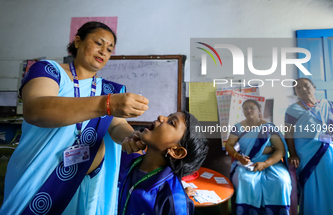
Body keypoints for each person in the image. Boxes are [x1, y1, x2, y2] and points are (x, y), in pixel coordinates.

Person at [0, 21, 149, 215]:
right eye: (98, 43)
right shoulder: (48, 71)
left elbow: (116, 126)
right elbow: (36, 110)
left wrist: (130, 137)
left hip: (84, 180)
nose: (104, 51)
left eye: (110, 49)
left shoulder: (109, 90)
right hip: (36, 173)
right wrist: (106, 104)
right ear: (78, 41)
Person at [118, 111, 209, 215]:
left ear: (176, 151)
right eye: (167, 116)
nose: (160, 117)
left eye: (171, 122)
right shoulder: (133, 163)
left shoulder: (174, 199)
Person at [226, 99, 291, 215]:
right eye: (245, 108)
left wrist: (265, 164)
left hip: (271, 163)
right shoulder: (238, 127)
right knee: (245, 180)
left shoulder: (268, 127)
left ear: (259, 110)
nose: (248, 110)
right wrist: (239, 157)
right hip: (248, 163)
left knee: (281, 181)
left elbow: (280, 150)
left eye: (252, 107)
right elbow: (229, 145)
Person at [285, 78, 333, 215]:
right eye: (298, 88)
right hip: (307, 153)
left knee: (332, 182)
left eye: (306, 85)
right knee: (313, 185)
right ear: (296, 92)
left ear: (314, 87)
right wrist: (293, 154)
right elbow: (289, 133)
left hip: (329, 153)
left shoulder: (330, 105)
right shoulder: (292, 109)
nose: (303, 89)